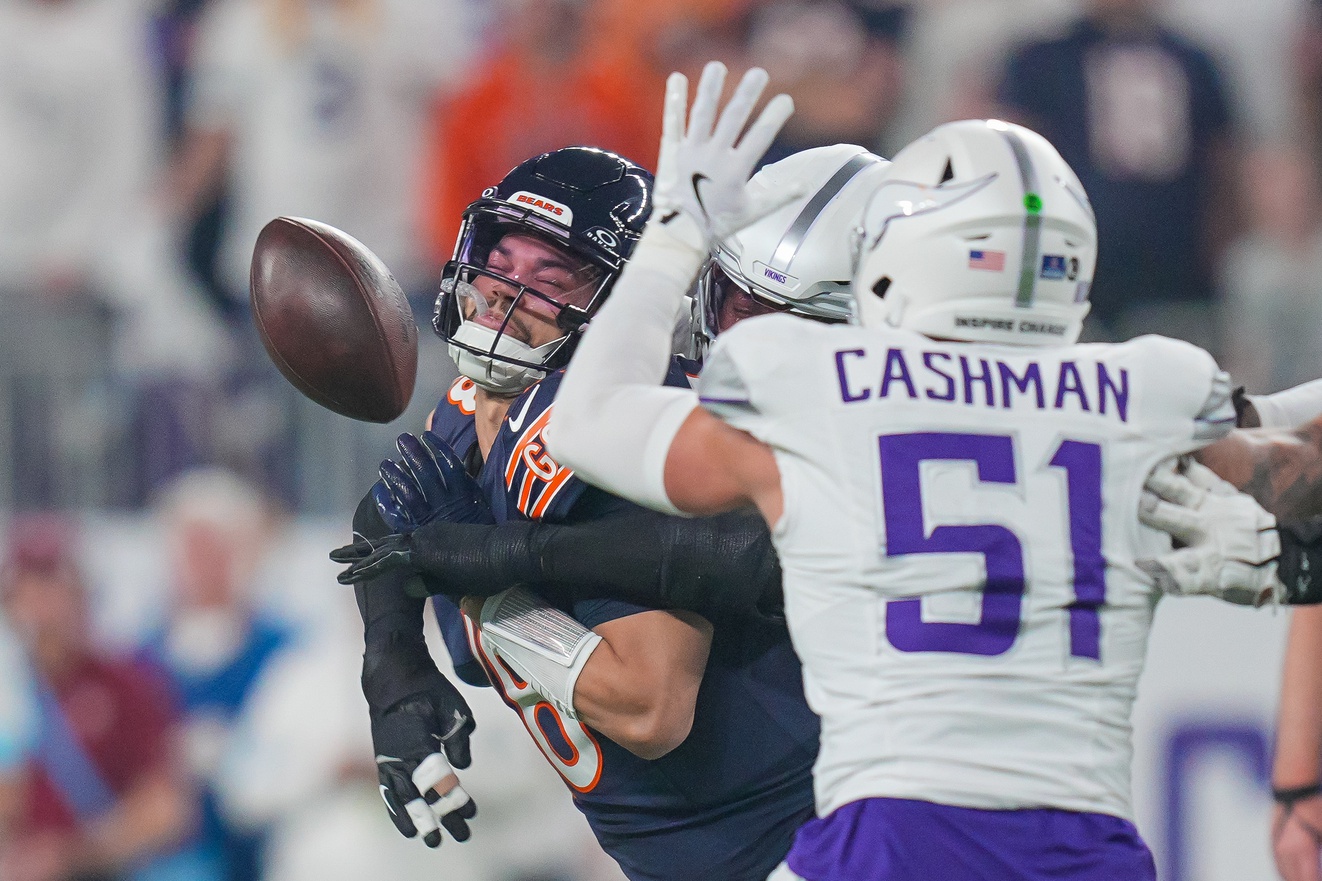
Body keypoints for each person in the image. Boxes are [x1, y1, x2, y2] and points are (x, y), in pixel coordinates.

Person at [545, 62, 1322, 880]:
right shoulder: (1139, 395)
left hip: (885, 844)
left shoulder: (817, 388)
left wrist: (674, 235)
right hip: (1086, 853)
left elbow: (590, 420)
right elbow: (1291, 447)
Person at [338, 142, 892, 880]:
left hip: (809, 843)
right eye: (500, 260)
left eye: (550, 277)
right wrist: (393, 664)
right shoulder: (484, 403)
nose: (505, 292)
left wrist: (483, 581)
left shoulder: (646, 422)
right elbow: (391, 517)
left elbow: (649, 706)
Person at [996, 0, 1240, 350]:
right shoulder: (1043, 59)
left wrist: (1215, 253)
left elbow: (1223, 164)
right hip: (1069, 279)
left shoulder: (1195, 60)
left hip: (1176, 280)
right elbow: (1016, 162)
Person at [0, 515, 210, 881]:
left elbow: (167, 808)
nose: (41, 610)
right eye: (27, 592)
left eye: (52, 589)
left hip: (115, 864)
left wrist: (73, 855)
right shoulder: (13, 691)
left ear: (82, 597)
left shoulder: (127, 681)